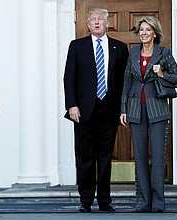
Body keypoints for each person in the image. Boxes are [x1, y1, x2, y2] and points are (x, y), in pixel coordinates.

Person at [64, 8, 128, 212]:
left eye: (101, 19)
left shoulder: (120, 47)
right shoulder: (77, 46)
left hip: (109, 110)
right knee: (85, 157)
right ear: (88, 25)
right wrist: (71, 105)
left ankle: (104, 201)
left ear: (107, 23)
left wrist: (123, 108)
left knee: (105, 158)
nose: (97, 22)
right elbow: (69, 78)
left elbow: (124, 82)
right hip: (82, 111)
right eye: (93, 20)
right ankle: (85, 201)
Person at [120, 16, 177, 213]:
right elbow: (127, 81)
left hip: (158, 110)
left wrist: (162, 74)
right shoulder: (133, 52)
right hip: (136, 109)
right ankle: (143, 201)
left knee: (159, 157)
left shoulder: (164, 53)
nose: (143, 33)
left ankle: (158, 202)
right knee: (141, 157)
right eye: (141, 30)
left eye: (147, 29)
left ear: (155, 33)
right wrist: (123, 109)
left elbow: (176, 77)